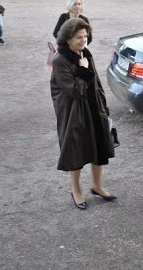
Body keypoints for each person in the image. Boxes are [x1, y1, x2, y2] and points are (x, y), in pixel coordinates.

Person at [50, 18, 116, 210]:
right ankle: (76, 190)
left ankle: (97, 185)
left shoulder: (85, 53)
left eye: (85, 36)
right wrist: (84, 70)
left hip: (94, 109)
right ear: (68, 38)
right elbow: (73, 91)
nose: (83, 40)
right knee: (76, 151)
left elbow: (96, 84)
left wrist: (103, 106)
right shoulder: (60, 60)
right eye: (79, 37)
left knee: (99, 147)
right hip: (74, 114)